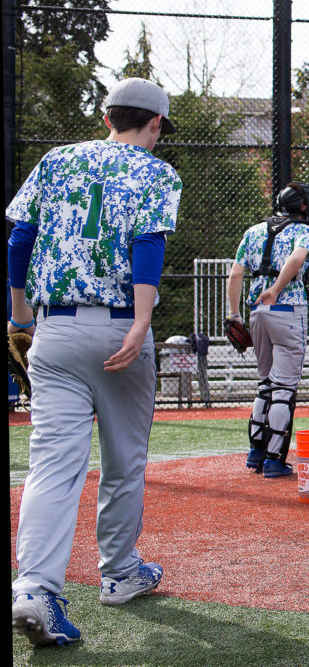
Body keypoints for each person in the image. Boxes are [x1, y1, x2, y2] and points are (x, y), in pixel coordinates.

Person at [7, 77, 182, 646]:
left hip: (52, 327)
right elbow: (147, 244)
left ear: (106, 116)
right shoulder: (155, 171)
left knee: (52, 466)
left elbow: (19, 239)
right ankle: (120, 573)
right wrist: (138, 322)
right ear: (153, 123)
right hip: (115, 330)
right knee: (124, 459)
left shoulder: (57, 161)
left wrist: (19, 315)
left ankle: (35, 588)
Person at [227, 182, 309, 478]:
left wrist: (233, 315)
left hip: (257, 311)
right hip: (288, 309)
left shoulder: (253, 230)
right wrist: (277, 289)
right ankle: (274, 460)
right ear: (303, 206)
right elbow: (297, 258)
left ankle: (255, 454)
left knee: (265, 383)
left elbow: (236, 273)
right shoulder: (305, 230)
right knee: (284, 387)